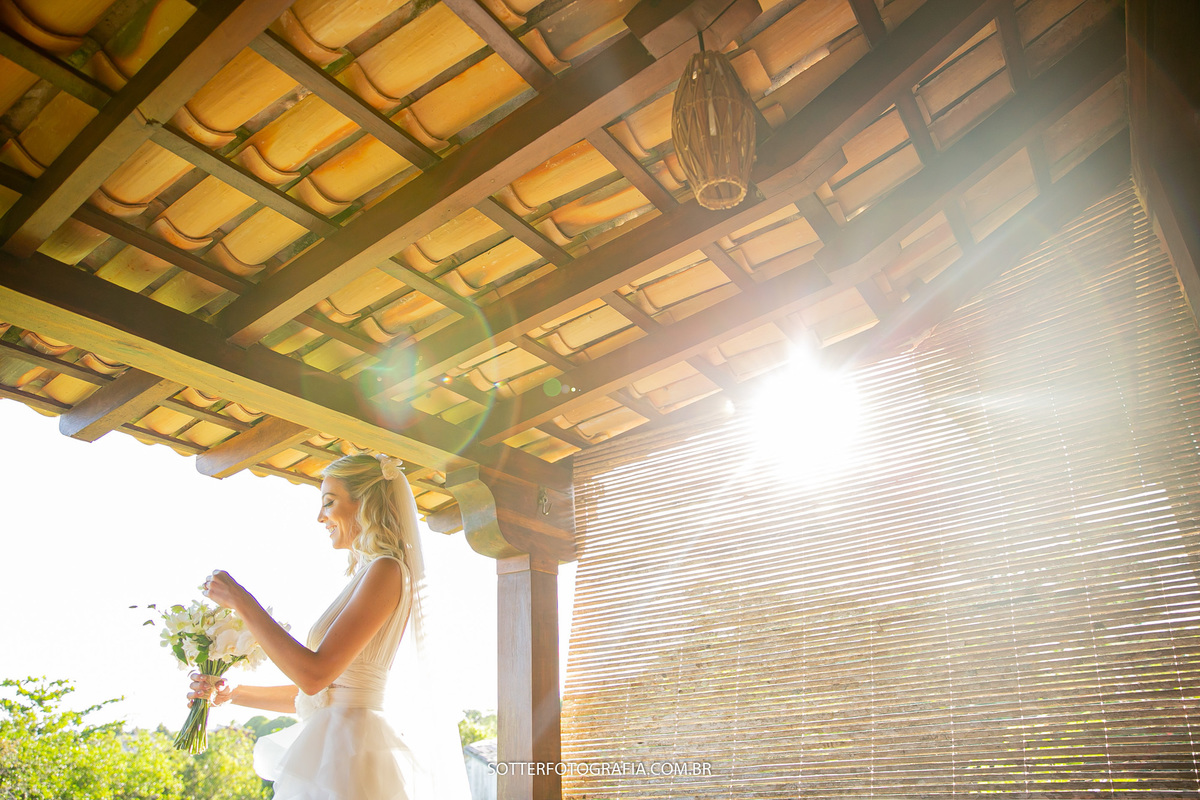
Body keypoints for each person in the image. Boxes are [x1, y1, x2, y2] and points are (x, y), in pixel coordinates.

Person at [188, 452, 466, 799]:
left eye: (329, 502)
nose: (321, 517)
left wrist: (242, 601)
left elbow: (313, 676)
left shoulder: (387, 570)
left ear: (363, 504)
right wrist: (231, 694)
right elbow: (323, 693)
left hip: (349, 755)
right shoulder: (369, 573)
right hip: (335, 743)